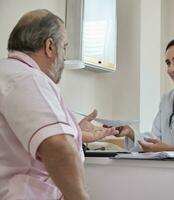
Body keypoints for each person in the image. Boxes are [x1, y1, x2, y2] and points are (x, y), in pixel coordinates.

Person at [0, 9, 118, 200]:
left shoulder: (7, 73)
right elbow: (58, 146)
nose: (64, 56)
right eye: (64, 47)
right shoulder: (28, 79)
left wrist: (76, 133)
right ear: (49, 46)